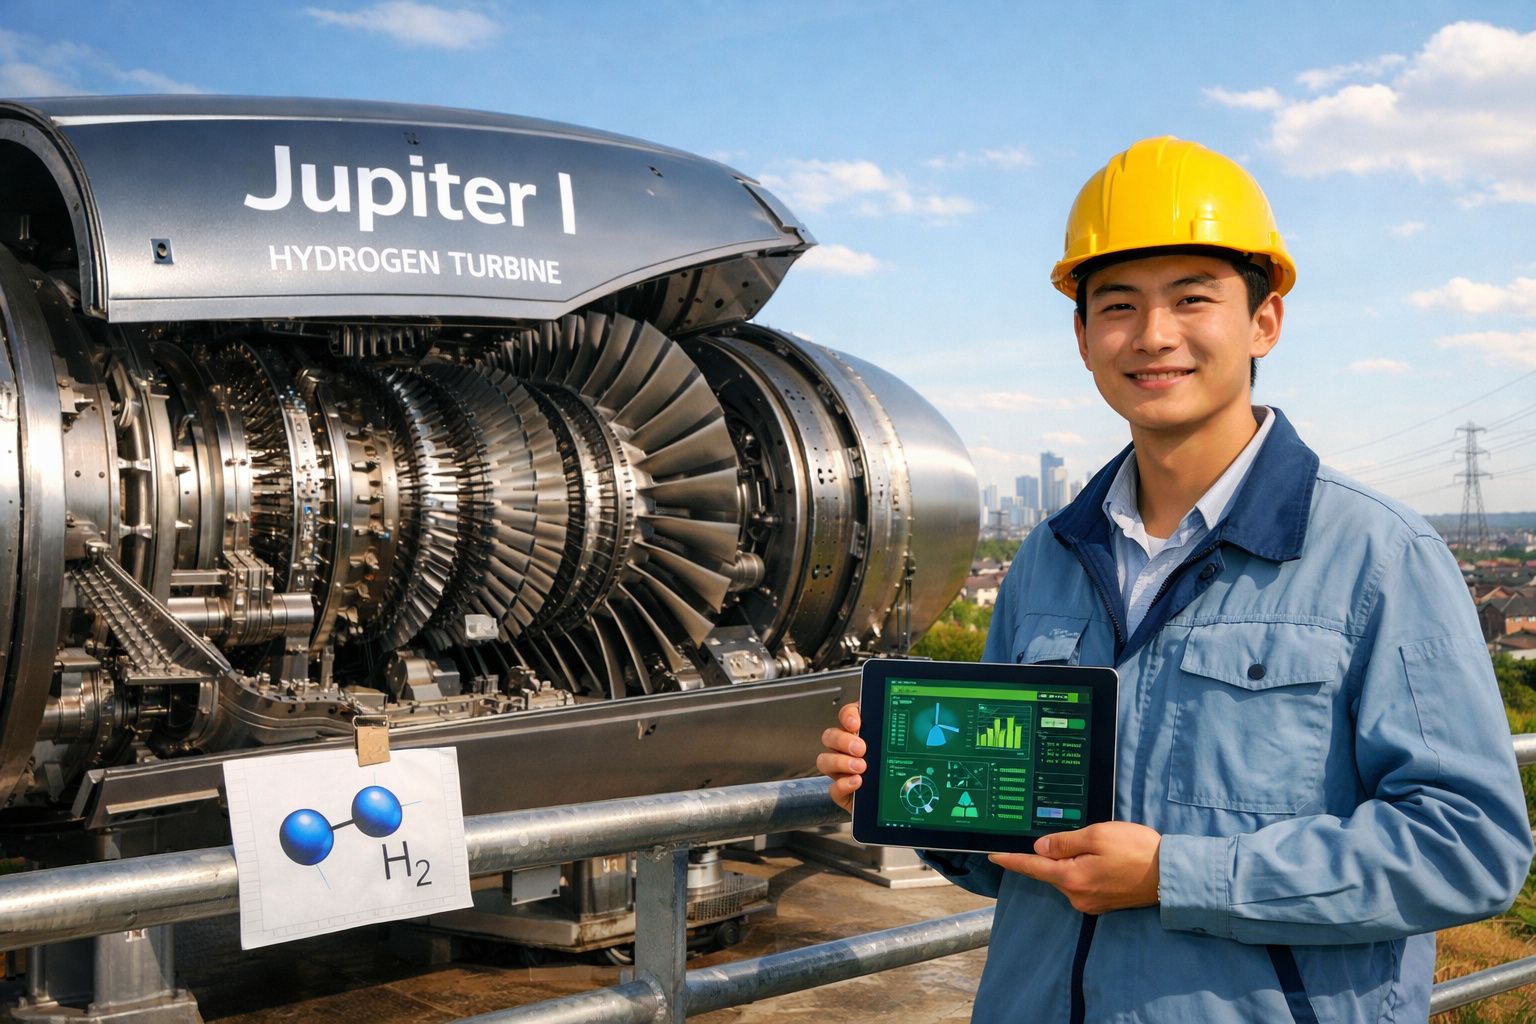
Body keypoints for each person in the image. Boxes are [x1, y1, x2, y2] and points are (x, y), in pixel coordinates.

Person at [818, 136, 1533, 1023]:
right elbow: (1015, 853)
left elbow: (1469, 848)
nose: (1153, 335)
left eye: (1193, 298)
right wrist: (912, 792)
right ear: (1082, 338)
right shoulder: (1048, 558)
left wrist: (1175, 874)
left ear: (1265, 321)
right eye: (1117, 305)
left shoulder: (1379, 556)